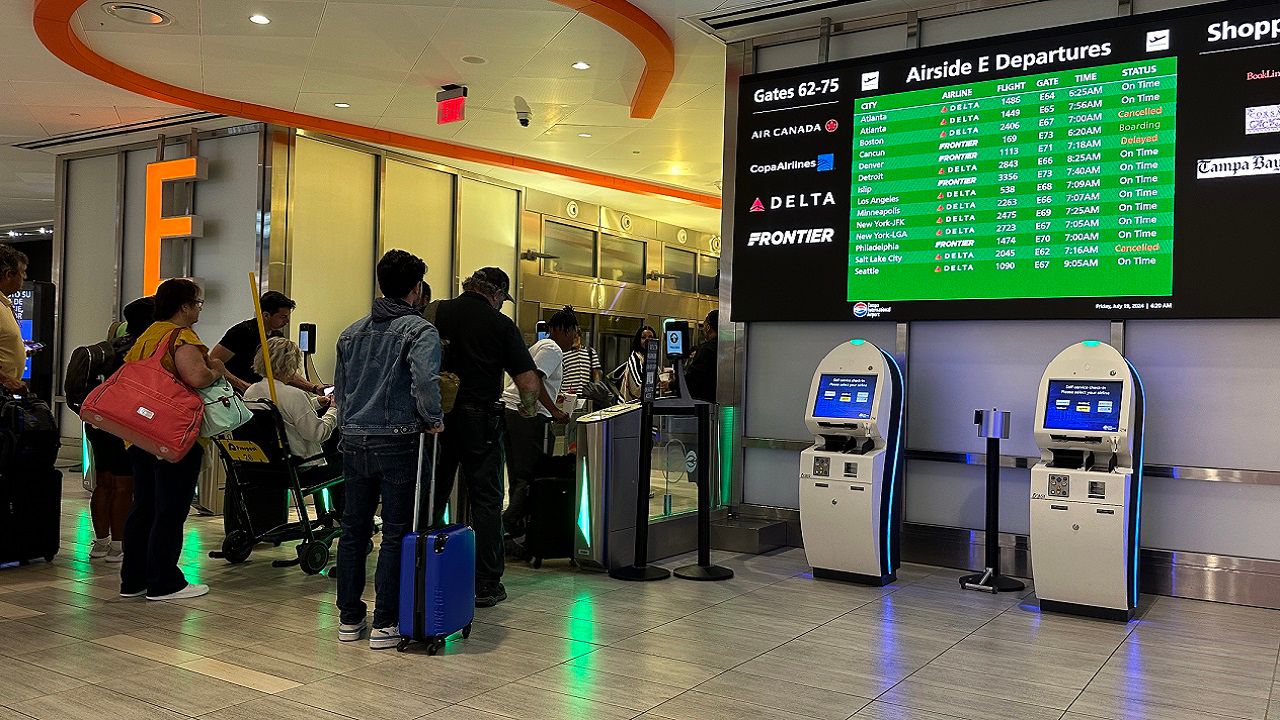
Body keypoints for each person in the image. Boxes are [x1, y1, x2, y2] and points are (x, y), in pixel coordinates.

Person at [332, 249, 443, 650]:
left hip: (354, 441)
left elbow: (341, 392)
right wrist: (433, 418)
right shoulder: (419, 330)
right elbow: (425, 382)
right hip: (399, 441)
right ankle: (386, 622)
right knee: (396, 533)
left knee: (353, 531)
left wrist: (351, 425)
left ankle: (348, 619)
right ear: (416, 289)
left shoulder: (351, 332)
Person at [432, 267, 542, 608]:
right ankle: (486, 583)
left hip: (437, 419)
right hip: (480, 421)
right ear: (496, 294)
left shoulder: (436, 311)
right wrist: (528, 409)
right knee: (487, 502)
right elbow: (527, 382)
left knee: (433, 494)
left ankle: (427, 565)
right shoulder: (500, 325)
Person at [120, 278, 224, 601]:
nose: (198, 310)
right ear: (185, 307)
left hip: (141, 432)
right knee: (170, 507)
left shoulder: (147, 335)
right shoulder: (181, 337)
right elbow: (196, 376)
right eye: (197, 304)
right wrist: (216, 370)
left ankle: (133, 579)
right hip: (173, 434)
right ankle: (164, 580)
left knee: (144, 506)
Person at [86, 296, 155, 562]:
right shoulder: (141, 351)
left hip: (98, 422)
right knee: (124, 485)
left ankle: (100, 543)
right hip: (123, 424)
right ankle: (118, 545)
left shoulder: (109, 348)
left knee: (104, 483)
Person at [501, 306, 575, 544]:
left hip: (513, 412)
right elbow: (535, 380)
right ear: (556, 330)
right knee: (531, 473)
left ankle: (515, 533)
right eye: (570, 330)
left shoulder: (541, 347)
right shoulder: (552, 349)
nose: (573, 336)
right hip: (526, 414)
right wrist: (554, 411)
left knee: (518, 473)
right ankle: (508, 523)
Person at [243, 336, 337, 468]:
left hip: (268, 465)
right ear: (291, 364)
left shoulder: (250, 392)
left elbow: (284, 411)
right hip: (301, 466)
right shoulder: (295, 395)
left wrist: (316, 403)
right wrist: (333, 410)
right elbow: (318, 434)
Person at [211, 291, 324, 395]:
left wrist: (313, 388)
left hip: (262, 395)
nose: (287, 321)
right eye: (283, 317)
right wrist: (242, 385)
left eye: (288, 316)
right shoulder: (241, 333)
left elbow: (285, 372)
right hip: (236, 395)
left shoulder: (277, 337)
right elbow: (214, 362)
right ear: (266, 315)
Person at [0, 243, 28, 393]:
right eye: (22, 272)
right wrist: (5, 380)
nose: (25, 277)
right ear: (9, 275)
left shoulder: (4, 303)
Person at [683, 309, 719, 403]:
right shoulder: (726, 348)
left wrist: (671, 384)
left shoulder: (706, 349)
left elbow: (693, 378)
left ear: (708, 327)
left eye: (704, 325)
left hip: (703, 402)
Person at [613, 325, 656, 402]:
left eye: (651, 337)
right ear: (638, 340)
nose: (647, 340)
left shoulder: (650, 358)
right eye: (643, 337)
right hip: (630, 408)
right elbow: (637, 388)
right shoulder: (635, 357)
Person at [560, 324, 601, 397]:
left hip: (587, 394)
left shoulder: (590, 352)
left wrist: (596, 389)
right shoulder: (563, 354)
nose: (574, 340)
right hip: (567, 395)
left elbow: (596, 374)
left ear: (579, 336)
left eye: (576, 337)